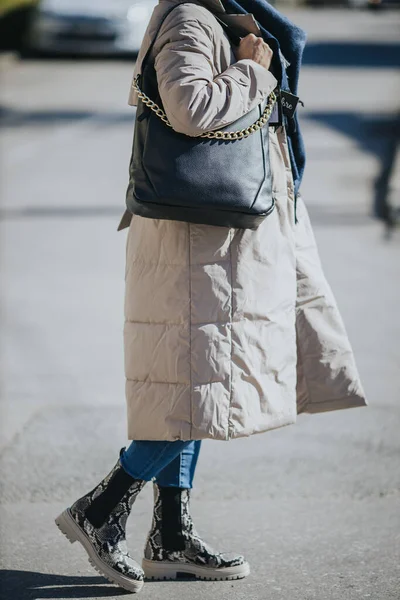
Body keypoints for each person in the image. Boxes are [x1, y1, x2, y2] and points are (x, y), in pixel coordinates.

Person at [55, 0, 367, 594]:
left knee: (195, 386)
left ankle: (170, 534)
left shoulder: (221, 19)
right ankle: (102, 510)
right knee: (194, 388)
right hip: (196, 243)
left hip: (214, 241)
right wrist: (251, 70)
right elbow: (190, 107)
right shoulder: (191, 21)